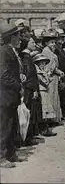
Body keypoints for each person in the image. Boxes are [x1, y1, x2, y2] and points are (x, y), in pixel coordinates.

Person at [0, 23, 25, 168]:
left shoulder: (10, 50)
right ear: (12, 37)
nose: (20, 38)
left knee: (11, 125)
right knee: (4, 127)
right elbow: (3, 75)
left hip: (10, 96)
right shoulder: (4, 51)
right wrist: (18, 85)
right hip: (5, 96)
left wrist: (19, 77)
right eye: (18, 35)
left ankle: (10, 154)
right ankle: (2, 157)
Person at [19, 37, 43, 146]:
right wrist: (34, 89)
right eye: (32, 42)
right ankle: (27, 138)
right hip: (29, 89)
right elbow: (29, 76)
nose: (34, 44)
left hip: (28, 88)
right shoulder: (26, 57)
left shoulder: (26, 56)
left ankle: (28, 137)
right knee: (28, 113)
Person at [40, 29, 63, 124]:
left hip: (54, 77)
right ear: (46, 43)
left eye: (54, 42)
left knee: (54, 96)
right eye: (51, 42)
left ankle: (55, 118)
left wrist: (59, 71)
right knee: (51, 97)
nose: (53, 44)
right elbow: (48, 67)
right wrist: (56, 72)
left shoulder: (51, 51)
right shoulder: (46, 52)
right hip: (50, 78)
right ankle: (51, 119)